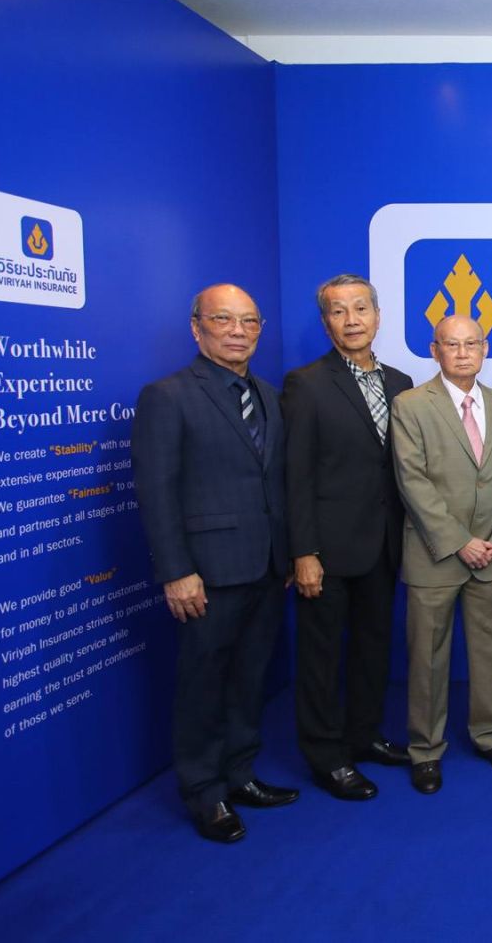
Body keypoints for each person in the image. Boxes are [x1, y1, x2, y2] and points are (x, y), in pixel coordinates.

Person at [133, 283, 296, 844]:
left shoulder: (269, 395)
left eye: (249, 321)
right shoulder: (168, 396)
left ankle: (240, 774)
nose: (237, 331)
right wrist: (176, 571)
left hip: (267, 566)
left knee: (250, 678)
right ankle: (205, 793)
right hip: (206, 572)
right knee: (203, 685)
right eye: (223, 319)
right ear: (196, 327)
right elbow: (157, 491)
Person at [281, 274, 414, 801]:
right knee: (321, 659)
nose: (352, 320)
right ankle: (326, 757)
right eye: (339, 311)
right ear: (326, 322)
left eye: (361, 308)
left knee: (373, 649)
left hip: (384, 545)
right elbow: (296, 474)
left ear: (378, 317)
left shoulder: (401, 382)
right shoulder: (306, 383)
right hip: (327, 550)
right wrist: (303, 551)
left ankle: (365, 736)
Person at [391, 315, 492, 794]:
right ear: (435, 350)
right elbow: (412, 481)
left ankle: (491, 736)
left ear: (485, 349)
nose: (463, 353)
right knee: (427, 657)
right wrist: (459, 541)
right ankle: (425, 749)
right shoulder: (410, 405)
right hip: (436, 553)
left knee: (491, 651)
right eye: (452, 344)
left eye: (472, 344)